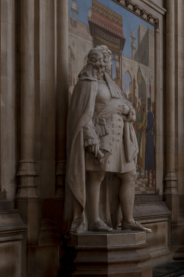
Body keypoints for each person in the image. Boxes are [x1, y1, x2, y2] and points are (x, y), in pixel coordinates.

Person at [65, 46, 149, 233]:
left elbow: (127, 105)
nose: (110, 63)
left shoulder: (111, 84)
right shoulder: (86, 83)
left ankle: (127, 220)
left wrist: (128, 110)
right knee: (97, 175)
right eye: (108, 60)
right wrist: (91, 139)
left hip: (121, 140)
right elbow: (82, 116)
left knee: (129, 175)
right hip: (101, 137)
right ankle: (94, 220)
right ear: (100, 61)